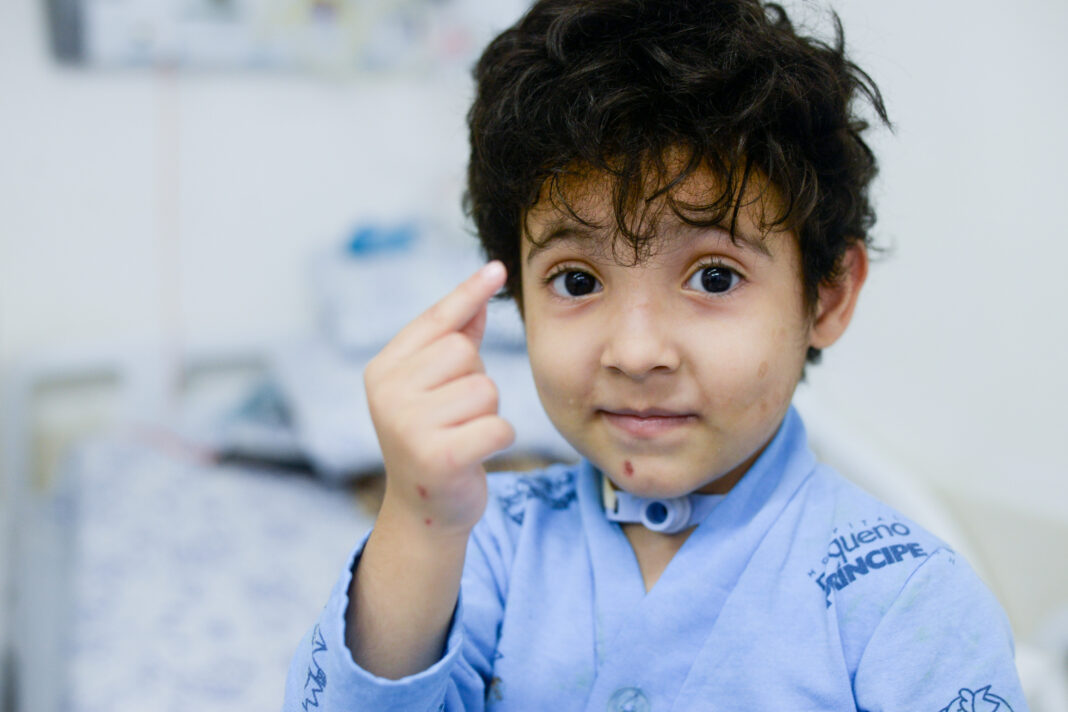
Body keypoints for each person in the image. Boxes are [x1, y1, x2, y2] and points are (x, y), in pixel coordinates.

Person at [284, 1, 1028, 709]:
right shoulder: (479, 548)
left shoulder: (908, 603)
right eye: (577, 281)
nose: (636, 352)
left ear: (826, 297)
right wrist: (417, 520)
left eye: (713, 277)